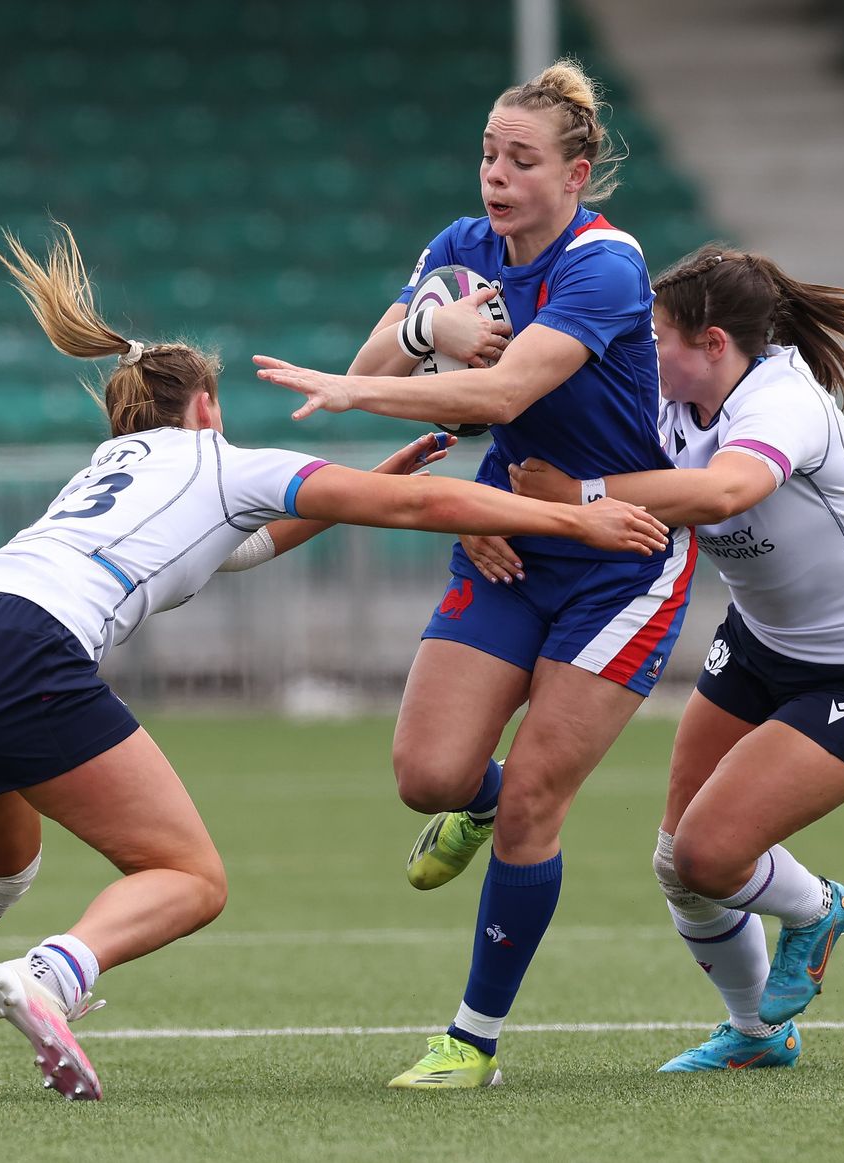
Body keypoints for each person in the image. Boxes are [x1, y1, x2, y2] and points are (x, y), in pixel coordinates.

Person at [0, 223, 667, 1100]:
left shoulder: (107, 465)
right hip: (22, 650)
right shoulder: (223, 460)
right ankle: (53, 973)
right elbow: (418, 511)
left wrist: (380, 479)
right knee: (189, 878)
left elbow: (240, 548)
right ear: (204, 407)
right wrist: (575, 519)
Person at [254, 59, 695, 1089]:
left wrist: (367, 390)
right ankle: (479, 801)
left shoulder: (605, 266)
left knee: (542, 797)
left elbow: (497, 393)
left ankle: (471, 1038)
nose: (496, 176)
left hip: (616, 552)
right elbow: (384, 359)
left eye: (521, 159)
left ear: (575, 174)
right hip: (509, 531)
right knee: (429, 778)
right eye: (489, 154)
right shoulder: (461, 248)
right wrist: (421, 328)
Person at [506, 243, 844, 1072]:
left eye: (660, 334)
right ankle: (757, 1034)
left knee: (711, 854)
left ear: (712, 344)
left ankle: (817, 908)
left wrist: (582, 498)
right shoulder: (670, 401)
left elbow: (722, 493)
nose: (646, 349)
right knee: (679, 862)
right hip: (758, 643)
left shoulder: (782, 400)